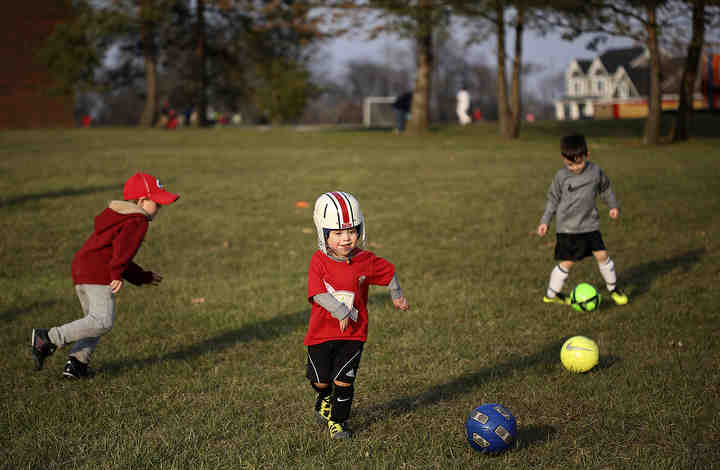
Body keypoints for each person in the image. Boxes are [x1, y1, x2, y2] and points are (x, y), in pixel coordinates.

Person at [30, 173, 180, 379]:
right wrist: (116, 273)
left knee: (92, 324)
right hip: (98, 272)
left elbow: (117, 254)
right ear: (142, 201)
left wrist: (141, 276)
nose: (160, 208)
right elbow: (122, 251)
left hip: (83, 269)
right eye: (157, 203)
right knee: (102, 321)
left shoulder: (119, 216)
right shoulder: (137, 220)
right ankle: (47, 338)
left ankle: (77, 365)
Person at [306, 191, 409, 439]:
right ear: (324, 234)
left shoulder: (365, 260)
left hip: (354, 333)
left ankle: (338, 422)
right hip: (321, 334)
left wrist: (396, 294)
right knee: (320, 381)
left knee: (344, 382)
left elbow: (388, 271)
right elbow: (318, 293)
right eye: (338, 233)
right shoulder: (318, 262)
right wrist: (340, 310)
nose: (346, 239)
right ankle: (323, 396)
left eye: (351, 231)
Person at [537, 134, 629, 307]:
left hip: (590, 225)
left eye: (579, 162)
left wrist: (613, 206)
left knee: (602, 255)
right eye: (570, 164)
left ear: (587, 154)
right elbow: (553, 200)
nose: (575, 167)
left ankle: (614, 289)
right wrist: (545, 221)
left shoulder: (595, 171)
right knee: (567, 263)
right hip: (568, 229)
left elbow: (605, 188)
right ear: (563, 159)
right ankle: (551, 295)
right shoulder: (561, 177)